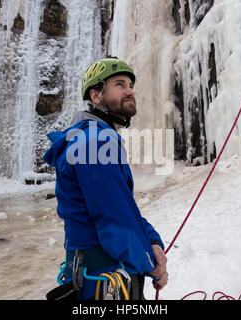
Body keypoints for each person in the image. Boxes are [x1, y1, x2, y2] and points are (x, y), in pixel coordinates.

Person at [43, 56, 168, 300]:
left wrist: (151, 239)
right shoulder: (94, 142)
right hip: (104, 277)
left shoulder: (89, 137)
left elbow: (122, 208)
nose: (130, 91)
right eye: (119, 84)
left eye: (131, 85)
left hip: (93, 272)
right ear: (96, 96)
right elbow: (114, 221)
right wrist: (151, 263)